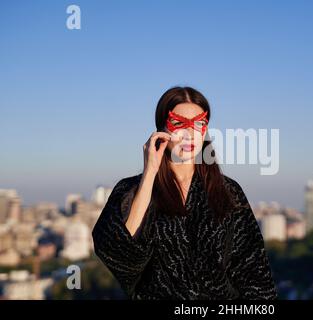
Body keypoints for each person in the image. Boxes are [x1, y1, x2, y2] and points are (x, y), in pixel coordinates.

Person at [92, 86, 277, 300]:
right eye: (178, 124)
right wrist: (150, 173)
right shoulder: (130, 189)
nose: (189, 134)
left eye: (199, 124)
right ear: (161, 128)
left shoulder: (228, 191)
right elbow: (119, 253)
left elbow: (254, 271)